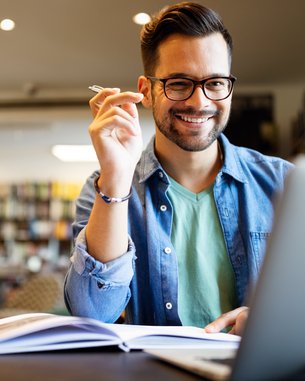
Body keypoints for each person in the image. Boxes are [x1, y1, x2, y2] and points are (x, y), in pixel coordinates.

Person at [64, 2, 292, 335]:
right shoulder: (104, 190)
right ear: (146, 91)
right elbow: (92, 315)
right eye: (179, 83)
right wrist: (115, 177)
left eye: (214, 83)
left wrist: (273, 318)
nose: (199, 102)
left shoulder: (284, 183)